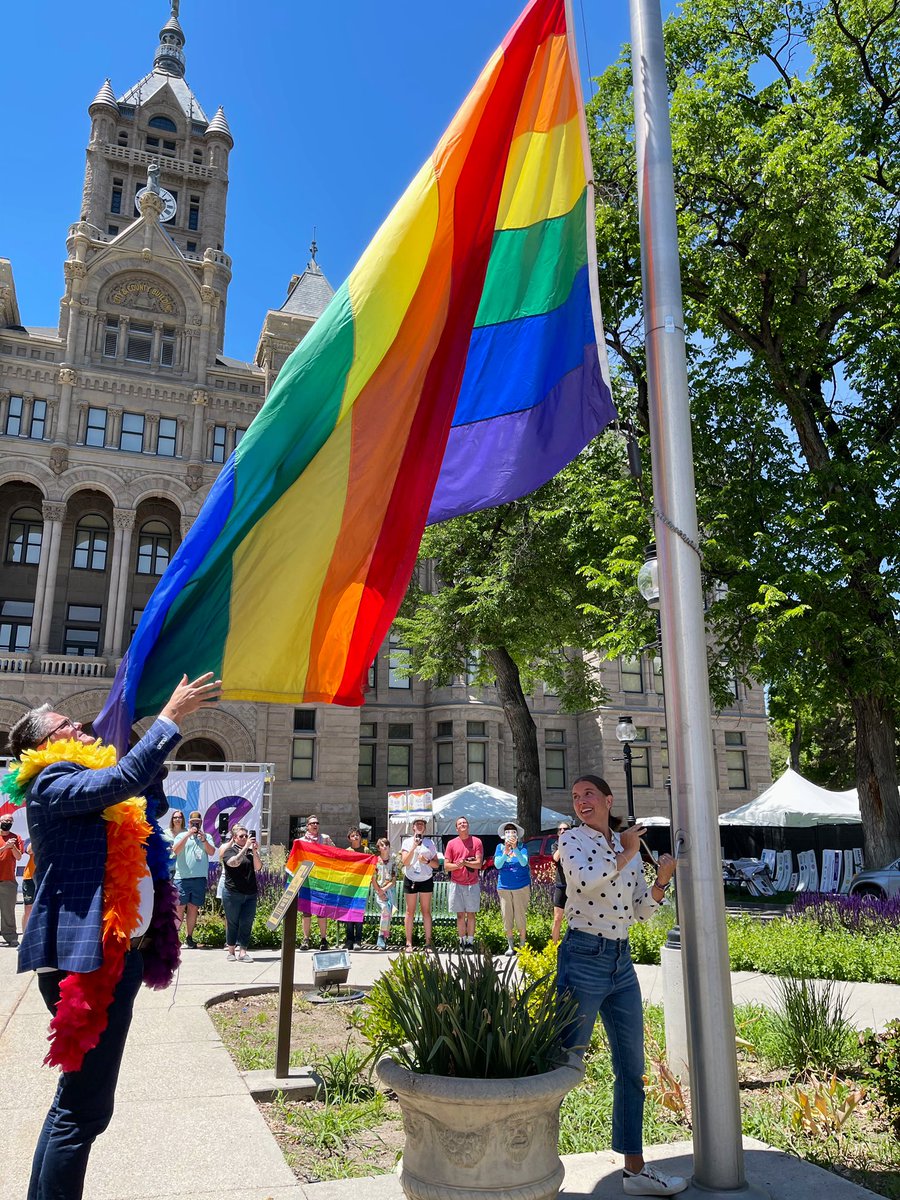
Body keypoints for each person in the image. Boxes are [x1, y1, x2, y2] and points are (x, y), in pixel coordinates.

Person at [6, 670, 220, 1200]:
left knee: (79, 1104)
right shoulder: (51, 782)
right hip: (87, 963)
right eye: (68, 726)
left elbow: (148, 801)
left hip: (115, 956)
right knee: (82, 1110)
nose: (82, 730)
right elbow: (119, 783)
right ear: (43, 744)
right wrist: (168, 719)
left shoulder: (85, 785)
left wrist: (137, 730)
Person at [556, 775, 683, 1198]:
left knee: (631, 1069)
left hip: (620, 961)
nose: (581, 801)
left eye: (588, 794)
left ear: (608, 800)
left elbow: (641, 911)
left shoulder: (625, 846)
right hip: (583, 956)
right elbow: (583, 881)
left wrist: (661, 880)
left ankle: (635, 1170)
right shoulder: (572, 840)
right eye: (576, 796)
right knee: (562, 1064)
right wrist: (628, 851)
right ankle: (532, 1162)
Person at [171, 809, 215, 948]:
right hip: (182, 878)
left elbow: (212, 852)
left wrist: (204, 840)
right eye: (193, 822)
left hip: (199, 878)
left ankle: (189, 937)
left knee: (193, 908)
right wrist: (188, 835)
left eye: (198, 822)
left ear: (201, 823)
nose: (195, 825)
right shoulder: (181, 835)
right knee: (179, 907)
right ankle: (174, 938)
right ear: (189, 823)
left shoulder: (207, 836)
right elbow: (175, 850)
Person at [219, 824, 261, 962]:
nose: (244, 838)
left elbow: (258, 867)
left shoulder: (250, 851)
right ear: (235, 838)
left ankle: (243, 951)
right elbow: (233, 862)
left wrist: (254, 851)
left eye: (246, 836)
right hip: (233, 892)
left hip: (250, 893)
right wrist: (245, 848)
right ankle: (231, 951)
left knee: (247, 922)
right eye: (241, 836)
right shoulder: (229, 851)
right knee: (233, 922)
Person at [443, 815, 483, 951]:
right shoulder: (451, 844)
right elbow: (446, 866)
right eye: (460, 823)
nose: (463, 824)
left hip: (472, 884)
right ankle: (461, 942)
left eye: (465, 822)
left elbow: (478, 864)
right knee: (460, 915)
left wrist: (465, 862)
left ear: (468, 825)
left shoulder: (476, 842)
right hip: (456, 884)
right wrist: (458, 865)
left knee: (471, 914)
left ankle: (470, 942)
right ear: (456, 828)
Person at [400, 816, 440, 952]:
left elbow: (436, 864)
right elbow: (405, 862)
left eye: (422, 824)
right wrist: (414, 847)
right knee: (409, 911)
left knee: (426, 911)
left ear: (425, 828)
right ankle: (408, 943)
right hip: (411, 878)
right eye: (417, 824)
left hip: (426, 879)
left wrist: (427, 861)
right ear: (413, 827)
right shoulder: (407, 842)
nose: (420, 826)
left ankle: (428, 943)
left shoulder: (430, 843)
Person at [494, 821, 530, 955]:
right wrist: (506, 852)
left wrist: (515, 849)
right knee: (507, 916)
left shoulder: (522, 847)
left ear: (516, 835)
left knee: (520, 916)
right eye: (507, 832)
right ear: (504, 835)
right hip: (504, 887)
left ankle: (522, 945)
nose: (510, 834)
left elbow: (524, 862)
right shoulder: (499, 847)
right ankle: (510, 946)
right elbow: (498, 865)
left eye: (512, 832)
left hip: (521, 886)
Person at [298, 814, 333, 950]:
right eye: (312, 823)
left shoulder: (325, 839)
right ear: (307, 826)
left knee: (321, 910)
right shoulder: (301, 841)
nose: (315, 825)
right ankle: (306, 939)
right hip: (306, 879)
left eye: (317, 823)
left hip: (321, 879)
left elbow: (334, 853)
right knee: (306, 911)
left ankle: (323, 939)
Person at [0, 811, 24, 946]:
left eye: (10, 821)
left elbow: (19, 857)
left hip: (8, 879)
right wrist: (5, 847)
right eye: (5, 821)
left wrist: (12, 846)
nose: (7, 823)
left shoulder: (16, 837)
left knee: (8, 911)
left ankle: (10, 937)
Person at [343, 827, 366, 950]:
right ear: (349, 839)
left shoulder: (366, 850)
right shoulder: (347, 851)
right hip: (349, 886)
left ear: (360, 837)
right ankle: (349, 940)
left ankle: (358, 940)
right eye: (353, 835)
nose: (355, 837)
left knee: (358, 913)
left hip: (361, 886)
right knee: (349, 914)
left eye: (357, 835)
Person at [372, 837, 397, 950]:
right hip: (379, 892)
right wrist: (379, 891)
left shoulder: (393, 862)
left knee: (387, 913)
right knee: (385, 910)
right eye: (382, 845)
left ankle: (383, 938)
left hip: (389, 891)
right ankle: (381, 936)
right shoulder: (376, 861)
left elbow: (393, 880)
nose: (385, 847)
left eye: (386, 844)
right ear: (379, 848)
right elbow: (373, 879)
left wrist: (385, 889)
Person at [551, 821, 571, 944]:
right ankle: (554, 946)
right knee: (557, 918)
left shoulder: (575, 844)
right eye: (560, 829)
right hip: (561, 885)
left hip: (574, 886)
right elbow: (556, 858)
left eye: (565, 829)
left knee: (574, 919)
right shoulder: (555, 845)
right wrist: (562, 843)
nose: (563, 831)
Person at [163, 810, 186, 878]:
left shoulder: (187, 832)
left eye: (180, 817)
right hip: (169, 868)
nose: (177, 819)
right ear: (172, 820)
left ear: (183, 819)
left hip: (183, 868)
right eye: (175, 817)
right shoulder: (165, 833)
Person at [21, 837, 36, 933]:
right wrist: (38, 836)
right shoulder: (29, 840)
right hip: (30, 878)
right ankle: (25, 936)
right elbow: (29, 850)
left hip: (46, 876)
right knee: (28, 908)